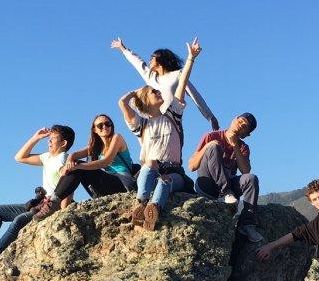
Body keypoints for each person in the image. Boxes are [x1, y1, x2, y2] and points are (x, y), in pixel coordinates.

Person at [0, 125, 75, 276]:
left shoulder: (65, 160)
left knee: (18, 220)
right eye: (48, 139)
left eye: (52, 139)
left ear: (63, 143)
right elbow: (20, 157)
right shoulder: (47, 157)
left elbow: (69, 187)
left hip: (50, 207)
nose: (48, 142)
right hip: (39, 203)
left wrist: (62, 212)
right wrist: (35, 138)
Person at [118, 38, 202, 231]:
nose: (158, 91)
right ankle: (141, 203)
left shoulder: (173, 114)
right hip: (148, 172)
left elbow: (181, 83)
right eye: (153, 92)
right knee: (150, 163)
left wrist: (191, 58)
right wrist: (136, 92)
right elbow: (122, 103)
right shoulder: (142, 125)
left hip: (174, 172)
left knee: (164, 181)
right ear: (145, 100)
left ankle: (152, 210)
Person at [32, 114, 135, 219]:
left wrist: (77, 166)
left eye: (108, 124)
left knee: (78, 167)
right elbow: (73, 155)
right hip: (105, 187)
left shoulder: (117, 138)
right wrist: (67, 165)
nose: (104, 127)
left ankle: (53, 203)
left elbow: (105, 161)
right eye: (100, 125)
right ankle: (52, 203)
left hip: (122, 184)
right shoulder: (96, 145)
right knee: (75, 164)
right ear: (94, 129)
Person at [111, 38, 220, 133]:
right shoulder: (150, 76)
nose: (149, 60)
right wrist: (123, 48)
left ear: (160, 60)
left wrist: (210, 116)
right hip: (154, 125)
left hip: (173, 124)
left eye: (152, 57)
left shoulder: (177, 75)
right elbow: (137, 62)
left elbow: (195, 95)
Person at [188, 112, 263, 242]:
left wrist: (235, 145)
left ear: (246, 135)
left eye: (245, 126)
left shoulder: (243, 147)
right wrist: (207, 146)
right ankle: (225, 192)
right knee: (214, 146)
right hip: (207, 184)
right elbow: (192, 166)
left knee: (251, 178)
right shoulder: (212, 136)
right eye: (240, 121)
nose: (241, 126)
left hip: (229, 186)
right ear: (234, 119)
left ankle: (247, 224)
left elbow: (245, 171)